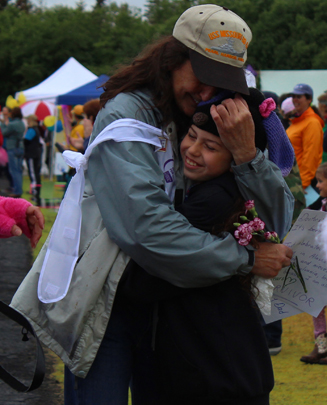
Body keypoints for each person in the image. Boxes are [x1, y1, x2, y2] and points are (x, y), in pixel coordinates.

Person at [11, 5, 294, 405]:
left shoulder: (211, 114)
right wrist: (244, 259)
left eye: (220, 82)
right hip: (108, 307)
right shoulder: (127, 113)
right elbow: (146, 229)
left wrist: (248, 154)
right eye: (203, 76)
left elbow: (275, 222)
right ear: (173, 59)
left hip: (172, 311)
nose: (208, 92)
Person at [116, 87, 294, 405]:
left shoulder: (212, 200)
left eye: (210, 145)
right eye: (192, 136)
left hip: (206, 374)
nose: (193, 150)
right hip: (234, 367)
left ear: (235, 156)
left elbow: (142, 282)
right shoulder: (230, 195)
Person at [300, 161, 327, 364]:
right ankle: (321, 346)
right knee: (316, 305)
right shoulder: (320, 203)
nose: (317, 185)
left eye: (321, 181)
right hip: (319, 264)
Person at [286, 84, 324, 205]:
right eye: (293, 96)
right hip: (292, 181)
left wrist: (302, 184)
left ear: (309, 99)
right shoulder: (297, 121)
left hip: (303, 185)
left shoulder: (312, 123)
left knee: (304, 222)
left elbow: (311, 156)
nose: (295, 99)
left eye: (299, 96)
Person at [0, 106, 25, 197]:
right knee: (18, 170)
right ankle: (18, 188)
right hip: (20, 148)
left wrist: (3, 124)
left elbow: (4, 133)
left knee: (14, 170)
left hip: (12, 148)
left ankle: (17, 190)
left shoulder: (12, 124)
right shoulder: (21, 123)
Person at [24, 115, 43, 206]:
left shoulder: (31, 130)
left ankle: (35, 192)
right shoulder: (37, 129)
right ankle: (35, 191)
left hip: (31, 154)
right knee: (36, 173)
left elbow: (26, 140)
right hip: (36, 154)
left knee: (33, 173)